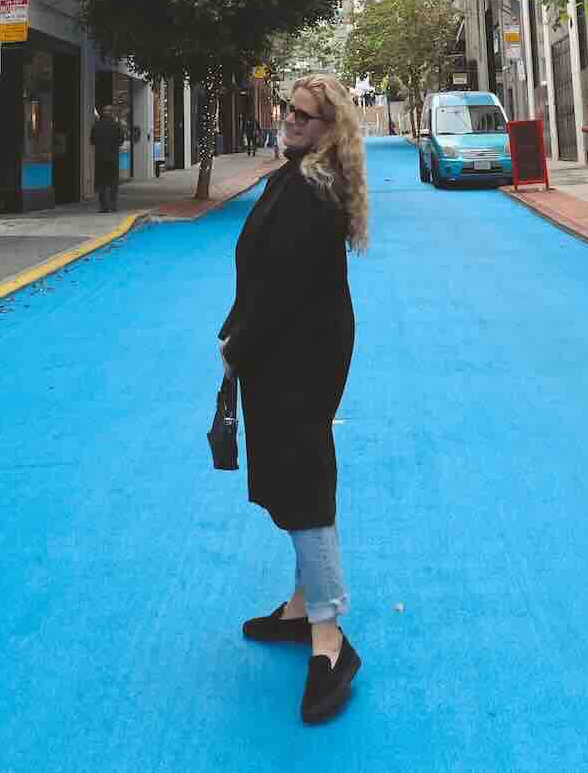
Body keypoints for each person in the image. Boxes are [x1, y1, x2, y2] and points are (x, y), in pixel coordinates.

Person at [216, 74, 369, 727]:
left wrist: (237, 347)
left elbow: (280, 289)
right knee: (288, 473)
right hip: (287, 350)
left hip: (298, 356)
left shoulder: (310, 190)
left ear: (327, 129)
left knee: (304, 482)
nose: (290, 121)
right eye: (288, 110)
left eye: (304, 116)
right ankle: (303, 604)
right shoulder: (298, 175)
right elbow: (262, 274)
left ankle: (330, 637)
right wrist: (238, 332)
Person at [89, 106, 125, 213]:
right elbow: (121, 140)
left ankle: (103, 206)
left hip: (100, 157)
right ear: (112, 113)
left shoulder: (97, 125)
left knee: (102, 182)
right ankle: (113, 204)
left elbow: (92, 140)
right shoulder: (116, 125)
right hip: (113, 157)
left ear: (103, 113)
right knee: (113, 182)